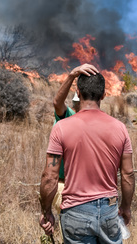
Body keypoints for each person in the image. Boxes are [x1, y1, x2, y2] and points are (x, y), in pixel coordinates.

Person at [40, 72, 135, 243]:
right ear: (104, 95)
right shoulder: (120, 128)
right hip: (109, 210)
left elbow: (49, 177)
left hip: (75, 212)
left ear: (78, 92)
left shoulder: (61, 128)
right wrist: (126, 207)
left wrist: (46, 212)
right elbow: (128, 174)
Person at [52, 63, 99, 213]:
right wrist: (72, 75)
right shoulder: (69, 116)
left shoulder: (93, 122)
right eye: (81, 102)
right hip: (65, 186)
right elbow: (58, 104)